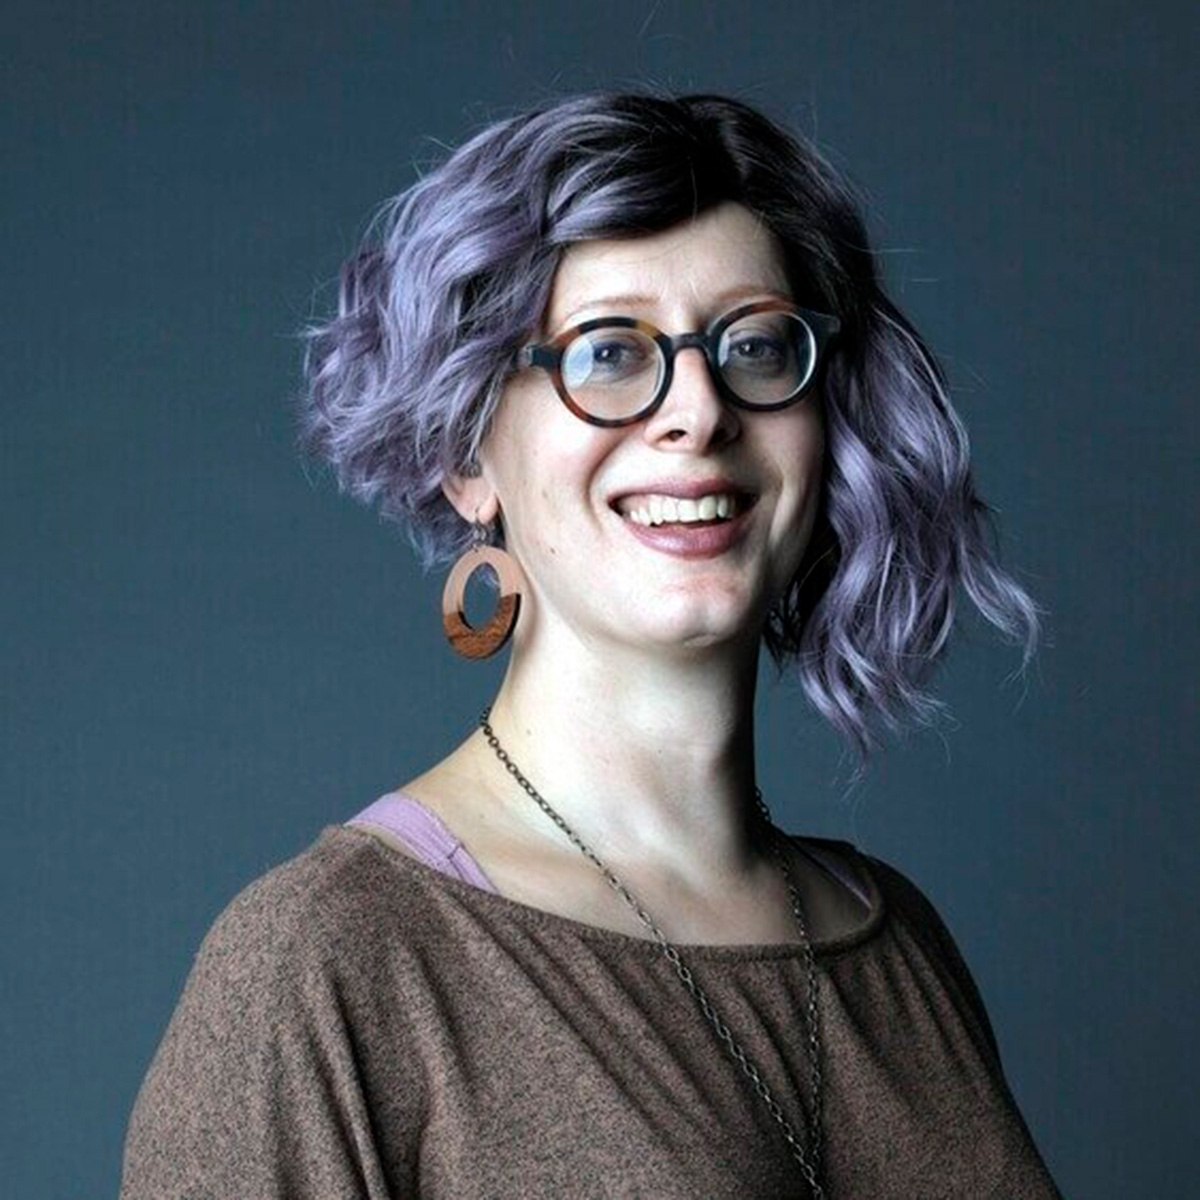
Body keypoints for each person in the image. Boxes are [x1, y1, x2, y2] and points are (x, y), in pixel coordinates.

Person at [120, 91, 1061, 1198]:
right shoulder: (328, 964)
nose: (700, 411)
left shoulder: (898, 943)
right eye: (610, 352)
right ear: (464, 452)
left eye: (756, 345)